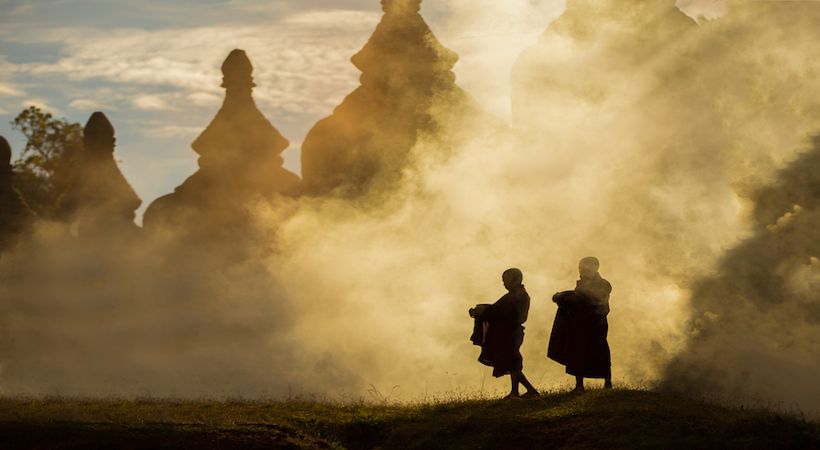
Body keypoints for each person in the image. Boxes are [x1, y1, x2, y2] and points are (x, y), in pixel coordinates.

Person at [470, 268, 540, 399]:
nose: (504, 284)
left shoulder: (519, 296)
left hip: (510, 333)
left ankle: (528, 391)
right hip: (507, 332)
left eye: (506, 280)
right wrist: (483, 310)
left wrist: (482, 311)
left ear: (515, 280)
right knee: (511, 362)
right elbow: (498, 309)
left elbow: (503, 312)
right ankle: (517, 392)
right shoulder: (514, 295)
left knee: (512, 363)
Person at [548, 257, 612, 392]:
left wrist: (561, 297)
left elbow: (584, 299)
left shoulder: (604, 285)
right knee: (577, 351)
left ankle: (607, 383)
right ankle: (579, 385)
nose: (581, 271)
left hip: (595, 324)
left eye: (584, 268)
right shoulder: (582, 284)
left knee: (600, 351)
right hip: (579, 325)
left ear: (595, 268)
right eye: (580, 268)